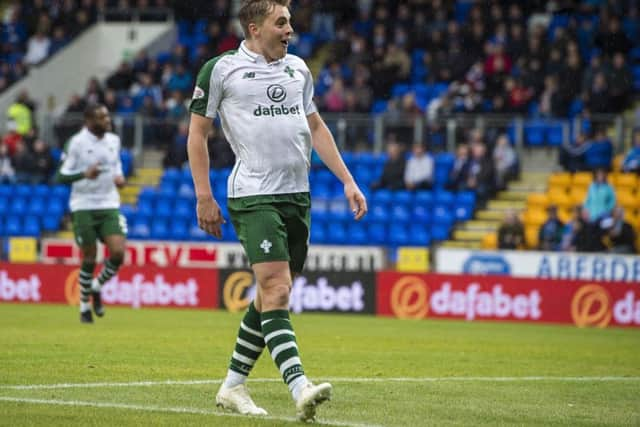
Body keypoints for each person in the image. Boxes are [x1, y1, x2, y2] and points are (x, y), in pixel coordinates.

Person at [187, 0, 367, 422]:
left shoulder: (298, 69)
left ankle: (233, 385)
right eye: (281, 22)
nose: (291, 30)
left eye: (290, 22)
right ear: (254, 28)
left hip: (296, 195)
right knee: (277, 288)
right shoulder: (221, 70)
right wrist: (203, 195)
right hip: (253, 195)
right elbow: (197, 135)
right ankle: (300, 385)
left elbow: (316, 125)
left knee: (272, 294)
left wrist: (347, 179)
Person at [55, 104, 127, 324]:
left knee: (117, 253)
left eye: (107, 116)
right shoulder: (76, 143)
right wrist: (84, 174)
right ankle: (84, 307)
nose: (107, 120)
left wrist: (119, 178)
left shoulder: (114, 140)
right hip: (83, 205)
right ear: (88, 120)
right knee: (90, 256)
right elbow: (60, 176)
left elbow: (116, 166)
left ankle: (95, 287)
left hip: (108, 203)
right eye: (102, 117)